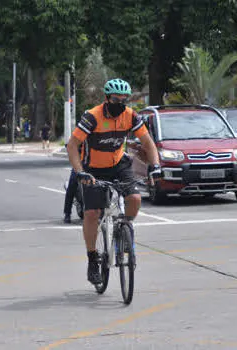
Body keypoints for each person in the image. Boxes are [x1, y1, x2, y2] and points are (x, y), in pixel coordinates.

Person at [66, 78, 162, 285]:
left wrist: (155, 165)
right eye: (116, 99)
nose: (120, 103)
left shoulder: (130, 116)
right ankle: (92, 258)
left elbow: (148, 143)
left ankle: (124, 230)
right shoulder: (92, 117)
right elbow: (72, 145)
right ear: (107, 98)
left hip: (119, 165)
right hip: (93, 169)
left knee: (135, 199)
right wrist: (80, 172)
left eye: (124, 100)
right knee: (92, 213)